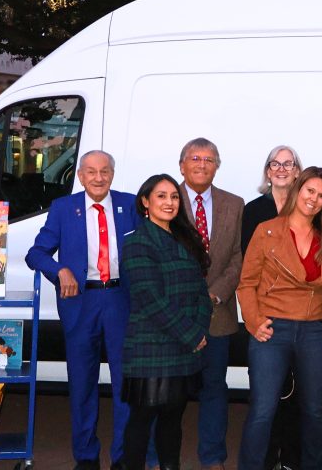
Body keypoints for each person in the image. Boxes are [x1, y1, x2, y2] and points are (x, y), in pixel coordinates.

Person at [26, 150, 138, 470]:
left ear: (112, 174)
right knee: (82, 384)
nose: (98, 178)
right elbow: (37, 253)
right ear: (80, 176)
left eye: (104, 171)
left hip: (121, 301)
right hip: (80, 304)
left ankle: (123, 456)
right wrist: (59, 270)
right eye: (91, 172)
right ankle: (86, 457)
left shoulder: (129, 204)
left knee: (125, 385)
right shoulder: (64, 208)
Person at [236, 166, 322, 470]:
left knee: (315, 411)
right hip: (273, 329)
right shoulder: (266, 230)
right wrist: (254, 322)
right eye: (311, 191)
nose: (315, 199)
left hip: (313, 332)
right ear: (298, 190)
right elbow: (247, 283)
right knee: (262, 410)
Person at [119, 174, 213, 470]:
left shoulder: (185, 239)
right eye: (161, 196)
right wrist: (191, 334)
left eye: (174, 196)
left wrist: (198, 330)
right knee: (142, 419)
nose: (169, 202)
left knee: (173, 418)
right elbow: (149, 297)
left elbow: (202, 292)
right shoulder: (137, 242)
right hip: (151, 345)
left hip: (184, 347)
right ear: (145, 202)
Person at [177, 137, 244, 470]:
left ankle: (213, 456)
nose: (202, 165)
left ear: (217, 166)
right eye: (195, 158)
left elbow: (237, 257)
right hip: (176, 317)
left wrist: (215, 292)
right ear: (182, 165)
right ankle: (158, 456)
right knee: (168, 392)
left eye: (209, 159)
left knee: (214, 388)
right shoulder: (165, 199)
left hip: (218, 311)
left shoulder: (235, 203)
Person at [240, 145, 305, 470]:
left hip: (302, 316)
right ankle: (265, 461)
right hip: (265, 316)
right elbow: (247, 269)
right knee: (265, 399)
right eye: (275, 164)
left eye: (288, 164)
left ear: (297, 171)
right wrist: (253, 318)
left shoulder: (309, 209)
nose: (281, 169)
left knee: (297, 398)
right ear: (267, 171)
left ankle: (292, 460)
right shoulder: (253, 211)